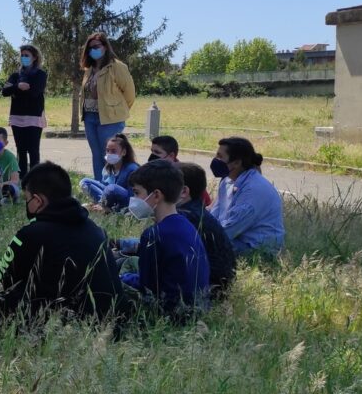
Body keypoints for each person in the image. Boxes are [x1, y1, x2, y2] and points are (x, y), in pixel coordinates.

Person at [0, 161, 127, 323]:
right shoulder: (95, 229)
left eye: (27, 199)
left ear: (38, 201)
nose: (27, 204)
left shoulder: (31, 234)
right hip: (112, 318)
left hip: (65, 323)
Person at [120, 160, 210, 318]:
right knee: (131, 262)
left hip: (170, 311)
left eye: (136, 193)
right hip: (198, 305)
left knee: (112, 279)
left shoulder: (153, 234)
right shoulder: (186, 224)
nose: (134, 198)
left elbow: (147, 285)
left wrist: (123, 278)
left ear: (156, 195)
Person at [209, 136, 285, 256]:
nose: (215, 160)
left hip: (257, 249)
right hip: (236, 239)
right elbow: (214, 215)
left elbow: (229, 230)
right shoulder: (227, 181)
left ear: (237, 162)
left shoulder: (253, 189)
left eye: (220, 156)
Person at [80, 32, 136, 181]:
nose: (93, 50)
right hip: (90, 117)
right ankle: (99, 187)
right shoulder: (89, 69)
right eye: (90, 48)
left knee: (110, 155)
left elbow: (129, 93)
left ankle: (113, 186)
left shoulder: (117, 67)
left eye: (96, 46)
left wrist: (117, 111)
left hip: (110, 119)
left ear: (105, 46)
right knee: (97, 154)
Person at [178, 163, 237, 299]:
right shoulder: (195, 211)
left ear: (184, 191)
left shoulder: (186, 218)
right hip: (217, 284)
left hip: (207, 290)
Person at [1, 44, 48, 176]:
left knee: (33, 150)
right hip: (17, 117)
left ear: (35, 57)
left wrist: (17, 91)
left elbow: (35, 92)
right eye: (22, 55)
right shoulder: (15, 75)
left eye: (27, 55)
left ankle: (34, 178)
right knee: (20, 150)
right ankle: (22, 178)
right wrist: (18, 87)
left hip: (34, 117)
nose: (24, 58)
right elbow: (5, 91)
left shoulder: (40, 74)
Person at [79, 132, 140, 212]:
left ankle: (105, 207)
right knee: (85, 182)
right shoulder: (106, 169)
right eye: (107, 150)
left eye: (113, 151)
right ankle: (102, 206)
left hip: (126, 200)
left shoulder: (132, 169)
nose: (109, 154)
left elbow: (133, 196)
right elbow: (105, 191)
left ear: (124, 152)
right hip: (109, 197)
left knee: (112, 188)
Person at [149, 135, 211, 206]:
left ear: (171, 156)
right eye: (152, 151)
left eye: (157, 152)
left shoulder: (185, 174)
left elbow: (205, 201)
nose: (152, 155)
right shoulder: (156, 171)